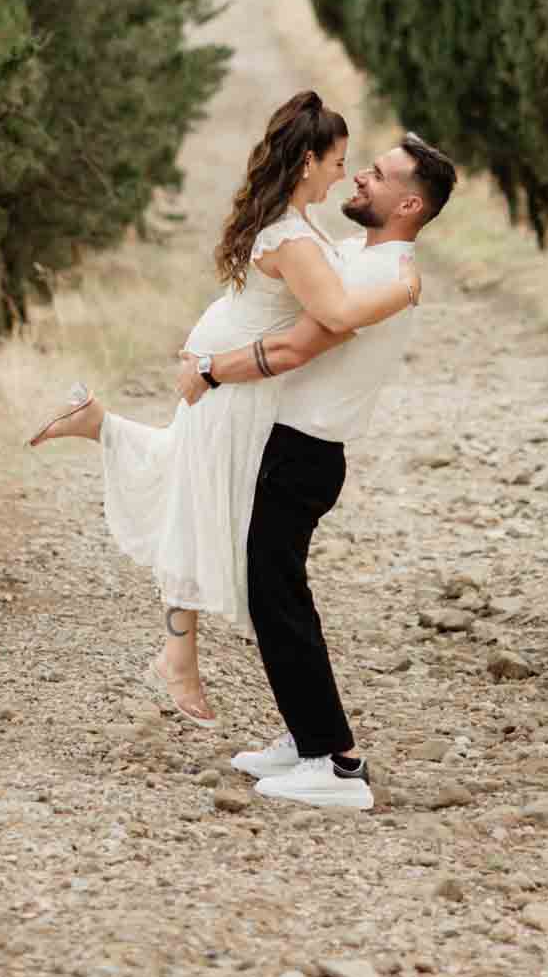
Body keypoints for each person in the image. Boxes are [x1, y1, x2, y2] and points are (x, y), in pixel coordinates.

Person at [26, 91, 420, 725]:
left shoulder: (295, 221)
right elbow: (339, 315)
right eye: (338, 161)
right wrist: (405, 288)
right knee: (201, 498)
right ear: (307, 162)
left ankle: (101, 426)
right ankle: (177, 659)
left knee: (193, 479)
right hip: (232, 371)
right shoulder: (292, 236)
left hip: (227, 358)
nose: (345, 174)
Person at [173, 130, 457, 811]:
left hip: (301, 452)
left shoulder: (380, 274)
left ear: (409, 203)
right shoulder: (361, 256)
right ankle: (308, 740)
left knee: (280, 598)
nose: (361, 177)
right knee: (270, 593)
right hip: (289, 444)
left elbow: (298, 346)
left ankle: (336, 761)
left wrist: (210, 371)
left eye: (381, 176)